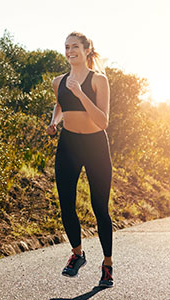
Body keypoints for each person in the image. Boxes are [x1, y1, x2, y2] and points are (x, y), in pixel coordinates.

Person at [46, 32, 114, 288]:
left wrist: (80, 93)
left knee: (100, 208)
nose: (70, 50)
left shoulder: (99, 80)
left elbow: (103, 121)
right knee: (66, 203)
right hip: (69, 144)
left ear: (87, 50)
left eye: (75, 46)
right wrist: (54, 121)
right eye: (66, 47)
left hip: (95, 145)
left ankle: (107, 265)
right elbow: (61, 105)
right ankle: (77, 254)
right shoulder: (58, 81)